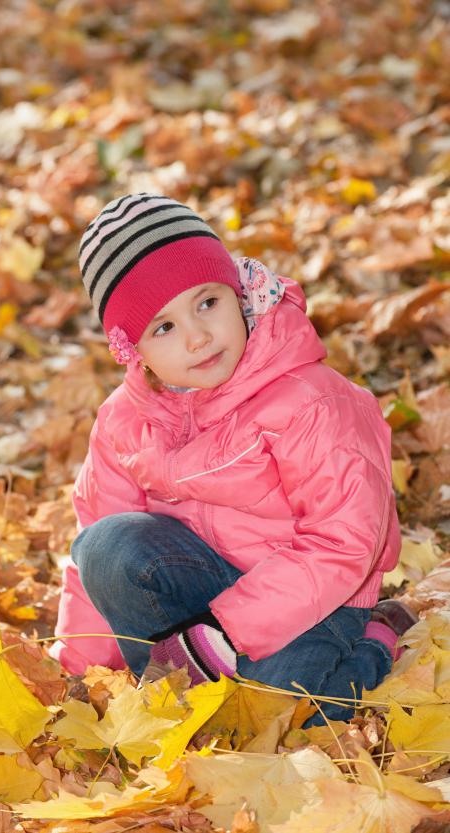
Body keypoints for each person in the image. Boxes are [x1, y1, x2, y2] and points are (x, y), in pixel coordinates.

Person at [51, 193, 417, 723]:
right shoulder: (123, 421)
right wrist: (82, 673)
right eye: (165, 327)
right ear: (134, 349)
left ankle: (376, 643)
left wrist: (226, 633)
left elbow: (344, 543)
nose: (198, 338)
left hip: (317, 602)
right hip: (198, 595)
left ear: (238, 291)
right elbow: (95, 551)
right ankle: (167, 691)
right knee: (109, 546)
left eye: (207, 303)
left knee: (276, 709)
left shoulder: (312, 400)